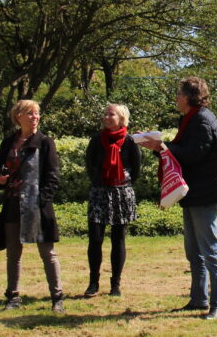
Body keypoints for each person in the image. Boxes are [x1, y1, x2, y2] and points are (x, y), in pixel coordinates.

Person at [137, 77, 217, 320]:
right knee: (194, 251)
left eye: (178, 94)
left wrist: (162, 147)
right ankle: (198, 299)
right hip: (194, 191)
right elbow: (187, 151)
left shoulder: (201, 119)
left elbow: (194, 154)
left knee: (209, 249)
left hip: (205, 192)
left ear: (190, 96)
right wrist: (161, 147)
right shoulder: (193, 118)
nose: (176, 98)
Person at [0, 100, 65, 314]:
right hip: (12, 204)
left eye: (37, 113)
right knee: (13, 253)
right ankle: (12, 296)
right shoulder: (8, 142)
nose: (35, 117)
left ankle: (57, 297)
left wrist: (42, 201)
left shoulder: (45, 142)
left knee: (47, 253)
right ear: (18, 116)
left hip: (37, 207)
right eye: (30, 113)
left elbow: (52, 175)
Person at [83, 103, 142, 297]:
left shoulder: (130, 141)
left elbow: (136, 168)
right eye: (105, 114)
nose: (107, 117)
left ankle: (115, 284)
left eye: (111, 114)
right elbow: (89, 164)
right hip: (99, 192)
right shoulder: (96, 140)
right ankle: (93, 283)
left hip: (121, 193)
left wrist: (121, 182)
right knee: (95, 239)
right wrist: (99, 181)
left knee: (118, 239)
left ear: (121, 118)